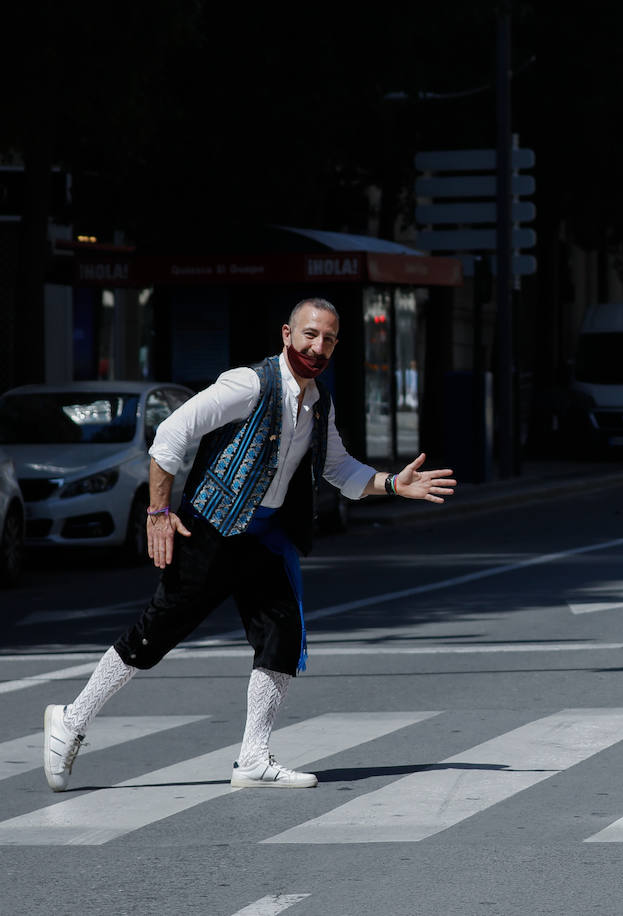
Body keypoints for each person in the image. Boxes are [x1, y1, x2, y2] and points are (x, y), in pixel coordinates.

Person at [43, 298, 456, 792]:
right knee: (156, 633)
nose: (316, 346)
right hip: (212, 528)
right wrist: (158, 511)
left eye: (327, 339)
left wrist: (392, 484)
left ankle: (253, 757)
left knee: (280, 635)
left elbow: (338, 468)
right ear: (286, 334)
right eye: (308, 334)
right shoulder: (249, 383)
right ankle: (71, 719)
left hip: (266, 536)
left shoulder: (319, 401)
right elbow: (172, 434)